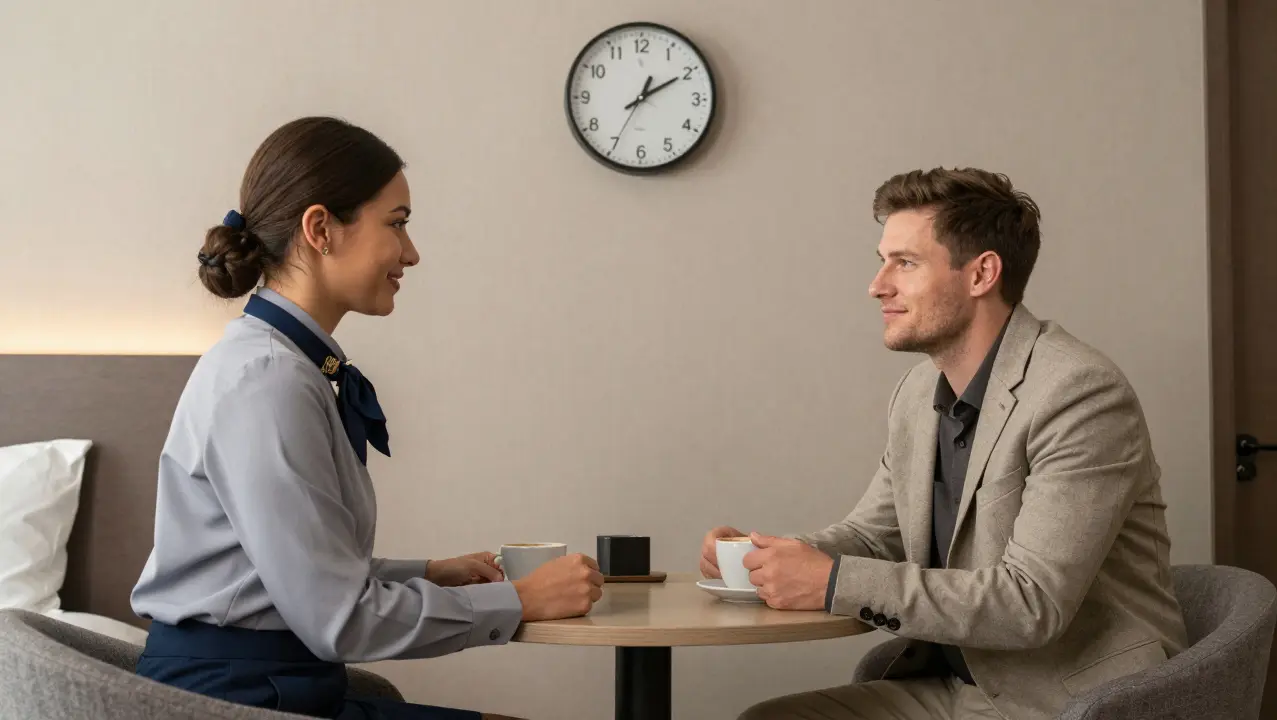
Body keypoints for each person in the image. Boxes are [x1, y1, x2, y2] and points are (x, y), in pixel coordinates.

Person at [130, 116, 604, 720]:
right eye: (397, 225)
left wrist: (431, 573)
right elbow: (338, 619)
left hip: (276, 688)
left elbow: (287, 573)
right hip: (239, 703)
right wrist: (520, 600)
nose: (411, 253)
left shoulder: (286, 366)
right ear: (321, 228)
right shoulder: (268, 381)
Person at [702, 168, 1188, 720]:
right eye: (882, 260)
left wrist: (831, 581)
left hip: (1070, 700)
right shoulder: (916, 394)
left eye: (904, 263)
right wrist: (765, 556)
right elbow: (875, 535)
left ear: (981, 273)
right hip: (958, 689)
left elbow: (1031, 603)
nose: (877, 284)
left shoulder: (1080, 394)